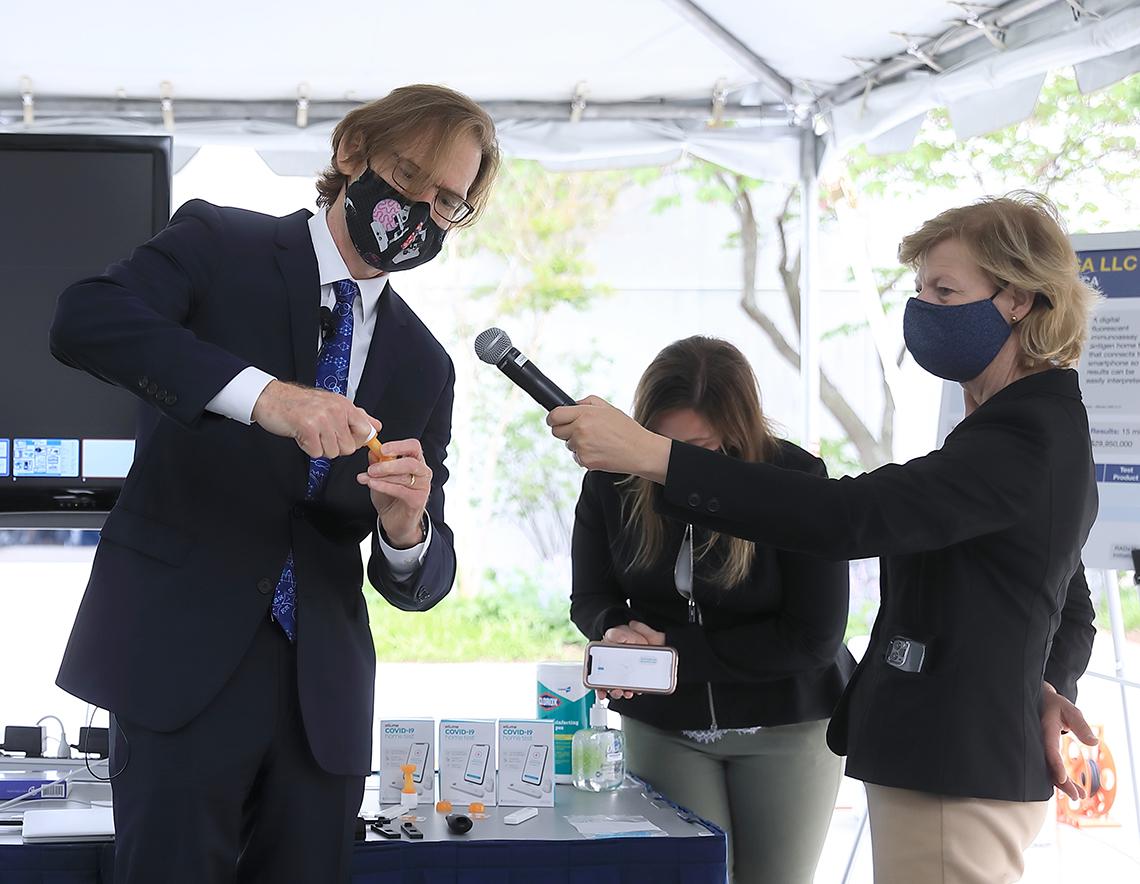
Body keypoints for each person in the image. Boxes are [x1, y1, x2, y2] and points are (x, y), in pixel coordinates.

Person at [550, 192, 1101, 883]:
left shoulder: (1021, 436)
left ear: (1018, 299)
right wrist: (1047, 681)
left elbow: (849, 517)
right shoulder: (1015, 426)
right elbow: (1066, 590)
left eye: (944, 291)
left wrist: (656, 457)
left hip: (952, 761)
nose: (922, 309)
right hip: (946, 755)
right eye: (919, 289)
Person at [49, 84, 499, 884]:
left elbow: (421, 581)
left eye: (447, 202)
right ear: (353, 152)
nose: (420, 213)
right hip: (180, 664)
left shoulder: (425, 364)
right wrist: (264, 397)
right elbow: (85, 319)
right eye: (410, 176)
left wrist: (406, 530)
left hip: (322, 704)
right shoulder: (220, 242)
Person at [570, 336, 854, 884]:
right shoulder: (611, 480)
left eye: (699, 448)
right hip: (665, 724)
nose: (678, 464)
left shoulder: (795, 477)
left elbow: (813, 636)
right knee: (687, 875)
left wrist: (674, 655)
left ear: (738, 431)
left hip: (788, 723)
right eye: (662, 445)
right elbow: (591, 596)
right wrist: (615, 631)